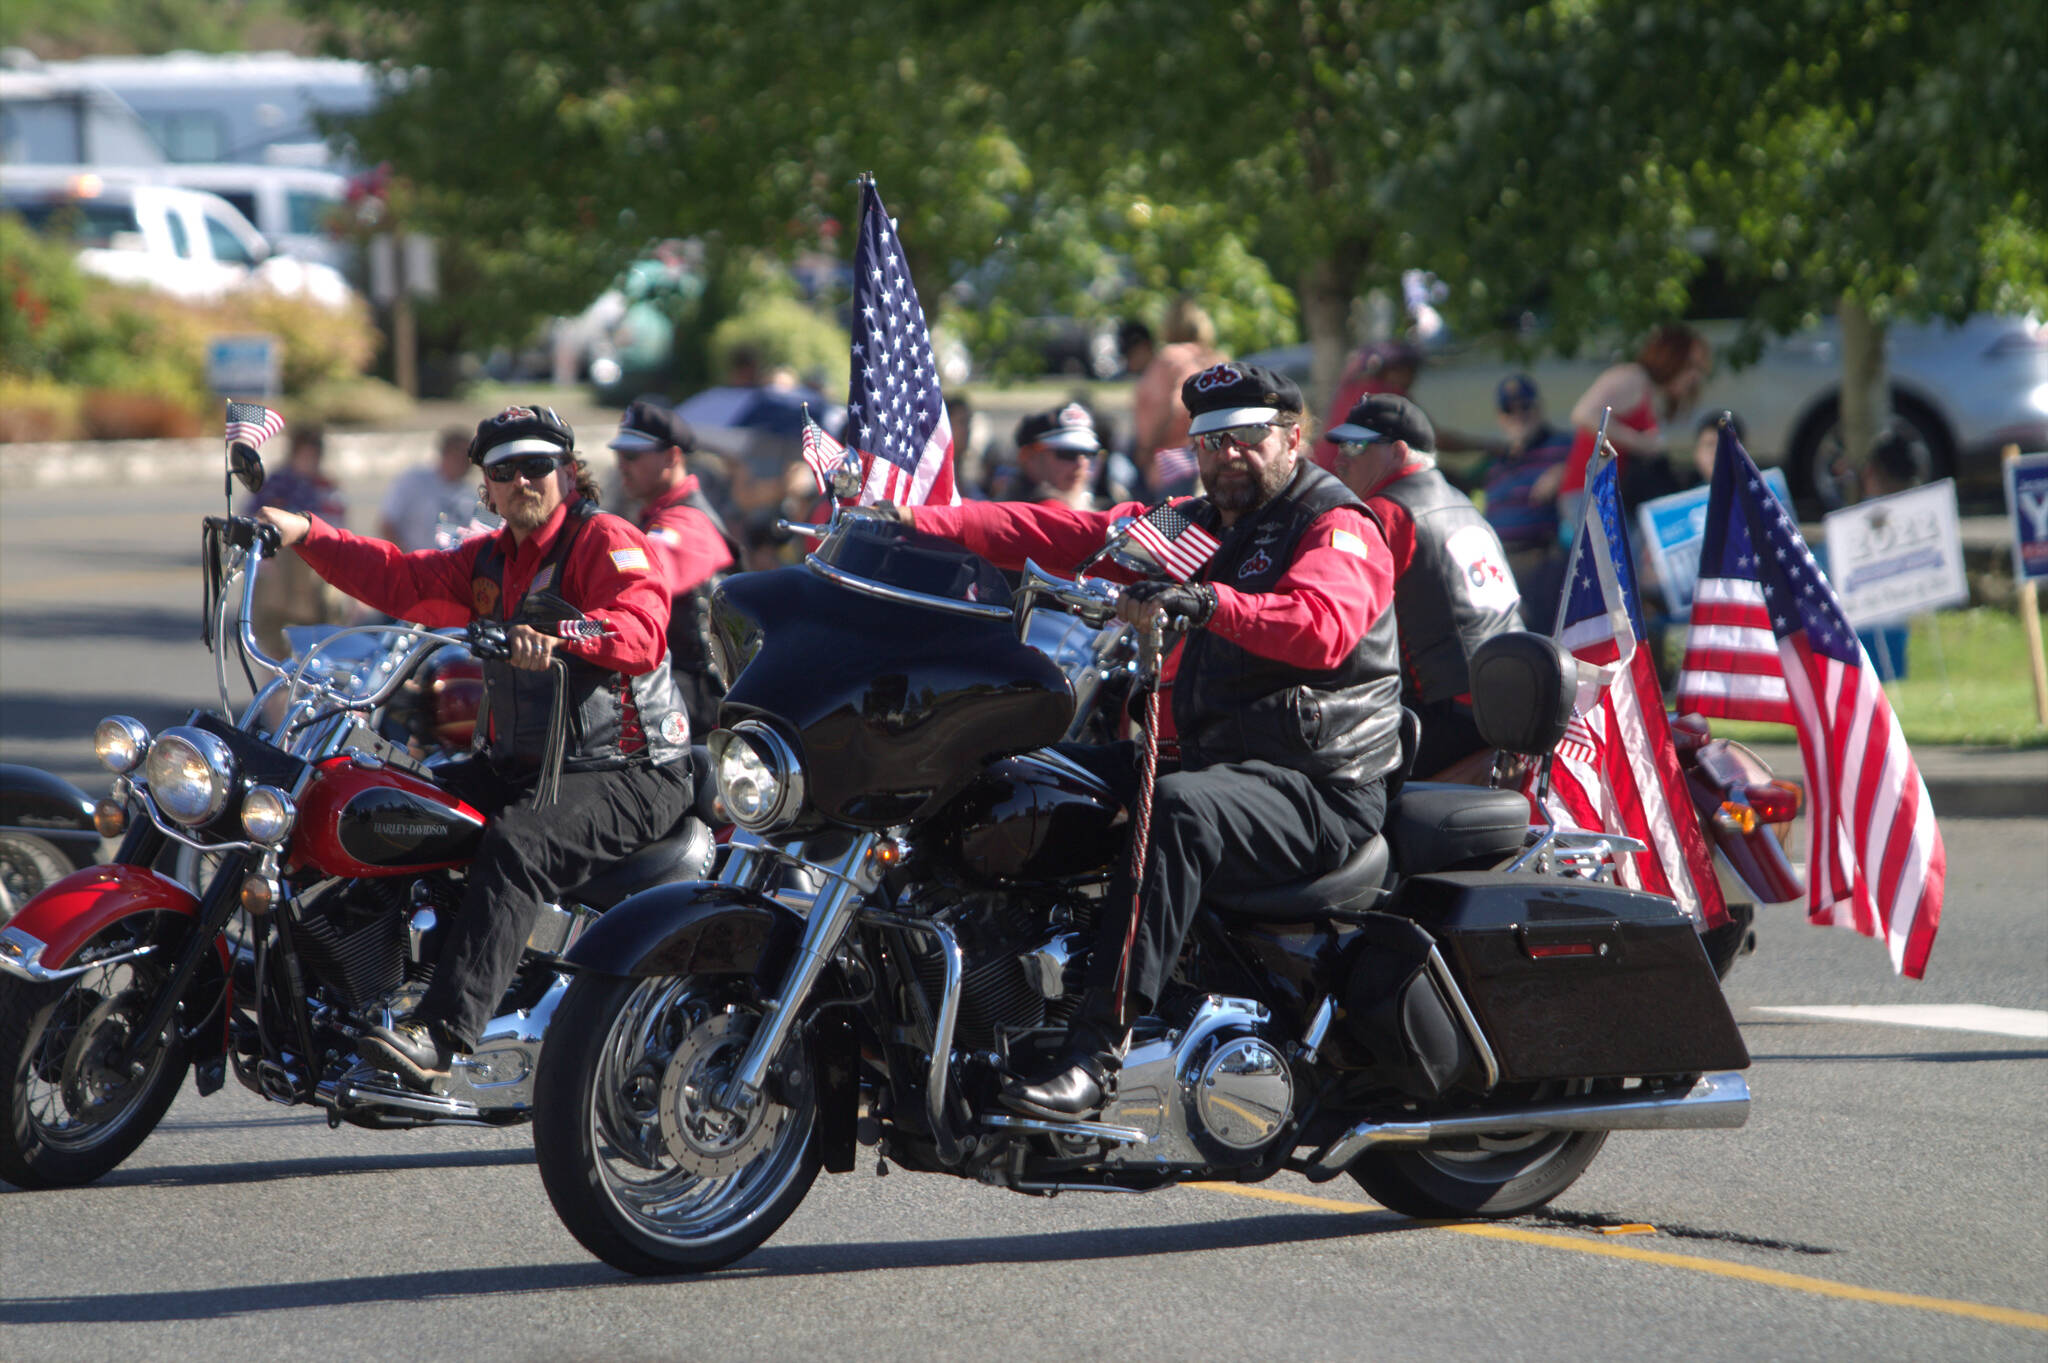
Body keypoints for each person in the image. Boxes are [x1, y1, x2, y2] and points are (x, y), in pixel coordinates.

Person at [882, 361, 1403, 1121]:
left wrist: (1209, 602)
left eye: (1246, 439)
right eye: (1210, 441)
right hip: (1216, 758)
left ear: (1294, 439)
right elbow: (1069, 533)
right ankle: (966, 1006)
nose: (1227, 456)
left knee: (1177, 809)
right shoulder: (1194, 524)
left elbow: (1319, 626)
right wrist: (917, 524)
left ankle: (1095, 1052)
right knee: (1012, 774)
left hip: (1319, 784)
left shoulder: (1335, 522)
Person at [252, 405, 694, 1085]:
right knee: (381, 806)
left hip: (629, 770)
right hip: (523, 763)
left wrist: (565, 636)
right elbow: (400, 577)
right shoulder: (489, 559)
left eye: (539, 465)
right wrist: (306, 530)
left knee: (518, 844)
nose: (523, 480)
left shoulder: (603, 540)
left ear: (569, 473)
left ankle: (443, 1031)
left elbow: (641, 629)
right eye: (505, 469)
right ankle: (340, 994)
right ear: (484, 486)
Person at [1327, 394, 1523, 779]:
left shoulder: (1386, 513)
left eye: (1356, 445)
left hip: (1444, 715)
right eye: (1339, 445)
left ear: (1398, 451)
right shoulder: (1463, 503)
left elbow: (1341, 621)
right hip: (1507, 702)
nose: (1339, 458)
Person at [608, 398, 742, 737]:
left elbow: (644, 574)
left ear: (672, 457)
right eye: (620, 454)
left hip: (699, 712)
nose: (622, 465)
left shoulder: (688, 522)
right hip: (674, 701)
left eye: (633, 456)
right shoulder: (657, 516)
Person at [1555, 323, 1711, 532]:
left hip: (1620, 497)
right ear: (1671, 357)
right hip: (1589, 494)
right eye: (1691, 366)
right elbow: (1582, 414)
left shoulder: (1655, 394)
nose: (1695, 377)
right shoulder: (1631, 377)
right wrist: (1639, 443)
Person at [243, 424, 347, 654]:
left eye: (314, 455)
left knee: (321, 632)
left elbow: (339, 527)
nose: (309, 460)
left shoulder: (325, 487)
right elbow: (253, 519)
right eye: (304, 454)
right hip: (278, 570)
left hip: (315, 571)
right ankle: (276, 687)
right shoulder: (276, 483)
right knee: (272, 640)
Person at [1130, 298, 1226, 491]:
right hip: (1212, 457)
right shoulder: (1217, 360)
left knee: (1161, 519)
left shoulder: (1171, 357)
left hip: (1171, 460)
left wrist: (1147, 450)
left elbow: (1176, 405)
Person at [378, 426, 485, 552]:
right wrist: (405, 561)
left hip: (448, 566)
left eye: (470, 457)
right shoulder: (414, 479)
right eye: (461, 455)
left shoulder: (472, 496)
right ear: (445, 453)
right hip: (410, 560)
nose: (466, 462)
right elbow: (387, 524)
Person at [1011, 402, 1109, 510]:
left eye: (1089, 454)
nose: (1080, 464)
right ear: (1028, 457)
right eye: (1067, 454)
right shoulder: (1013, 512)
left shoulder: (1106, 505)